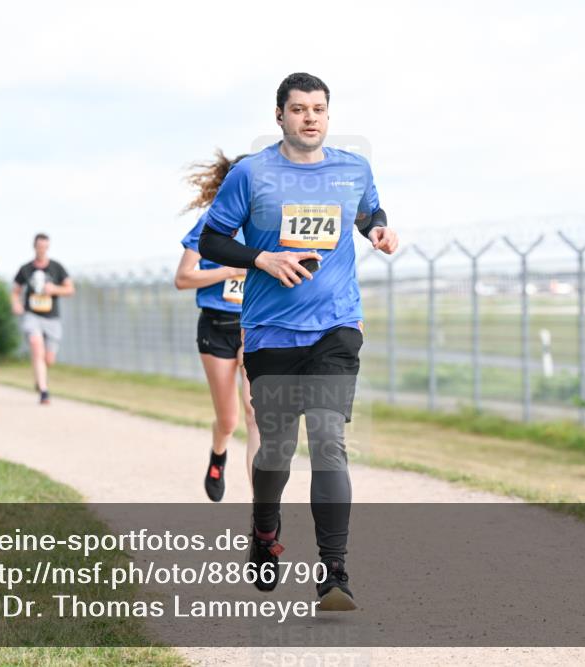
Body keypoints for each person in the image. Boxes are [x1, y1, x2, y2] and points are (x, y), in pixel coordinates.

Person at [199, 73, 399, 611]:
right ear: (280, 117)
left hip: (336, 329)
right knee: (279, 451)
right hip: (270, 336)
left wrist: (378, 229)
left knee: (329, 441)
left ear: (328, 116)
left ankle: (334, 573)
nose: (310, 117)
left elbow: (368, 212)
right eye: (299, 109)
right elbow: (212, 238)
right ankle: (265, 529)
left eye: (319, 109)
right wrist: (261, 257)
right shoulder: (251, 174)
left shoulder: (352, 169)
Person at [175, 151, 261, 502]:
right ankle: (218, 453)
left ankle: (263, 510)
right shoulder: (212, 222)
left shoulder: (267, 222)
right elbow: (183, 278)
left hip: (253, 326)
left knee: (256, 413)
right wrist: (230, 270)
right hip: (216, 326)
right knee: (229, 420)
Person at [12, 233, 74, 404]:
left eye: (45, 247)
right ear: (34, 247)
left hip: (52, 318)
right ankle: (44, 391)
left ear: (48, 247)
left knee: (49, 359)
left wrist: (54, 289)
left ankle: (40, 379)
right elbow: (15, 291)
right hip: (32, 315)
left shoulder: (57, 268)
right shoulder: (25, 269)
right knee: (36, 347)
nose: (42, 250)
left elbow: (70, 289)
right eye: (39, 246)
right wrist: (16, 304)